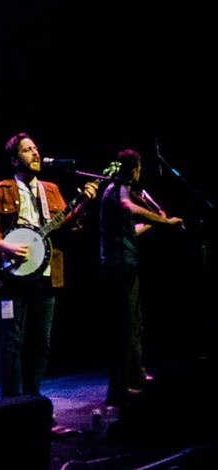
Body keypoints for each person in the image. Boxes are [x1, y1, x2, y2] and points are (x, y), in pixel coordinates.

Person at [0, 132, 97, 399]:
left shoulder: (50, 190)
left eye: (36, 149)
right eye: (28, 150)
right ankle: (10, 404)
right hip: (10, 279)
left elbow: (68, 226)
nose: (36, 154)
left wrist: (84, 203)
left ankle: (33, 401)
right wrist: (5, 245)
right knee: (11, 343)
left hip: (46, 276)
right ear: (14, 160)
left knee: (41, 343)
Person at [99, 149, 182, 405]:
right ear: (133, 169)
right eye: (138, 169)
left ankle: (135, 376)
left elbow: (129, 229)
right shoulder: (118, 189)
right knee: (126, 327)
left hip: (124, 263)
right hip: (119, 265)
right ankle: (118, 389)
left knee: (135, 322)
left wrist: (158, 221)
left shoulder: (115, 190)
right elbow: (128, 207)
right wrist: (164, 222)